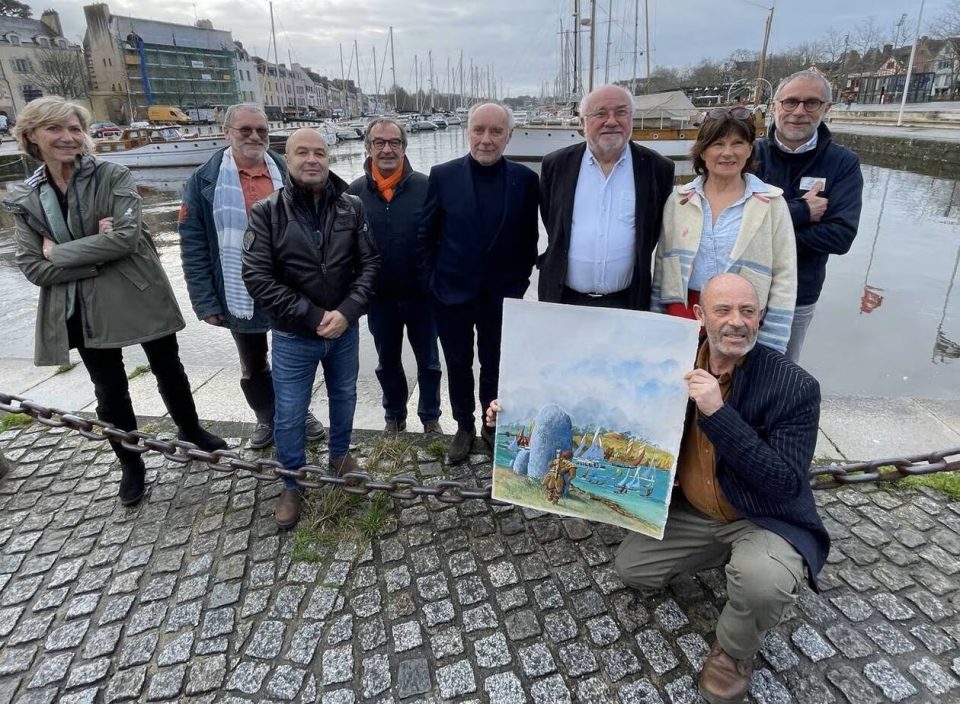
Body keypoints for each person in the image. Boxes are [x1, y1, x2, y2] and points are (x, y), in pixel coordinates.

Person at [487, 273, 828, 704]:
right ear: (701, 316)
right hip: (698, 513)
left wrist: (718, 413)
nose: (736, 322)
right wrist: (508, 419)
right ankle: (729, 559)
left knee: (762, 582)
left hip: (761, 517)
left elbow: (783, 484)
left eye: (747, 311)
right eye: (722, 310)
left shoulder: (794, 386)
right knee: (633, 570)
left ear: (761, 316)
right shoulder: (674, 362)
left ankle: (734, 653)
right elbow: (599, 398)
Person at [7, 96, 226, 507]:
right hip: (83, 302)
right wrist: (96, 247)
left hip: (136, 289)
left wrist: (60, 251)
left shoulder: (112, 174)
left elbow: (125, 238)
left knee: (168, 368)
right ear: (32, 136)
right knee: (108, 389)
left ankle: (191, 429)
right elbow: (33, 268)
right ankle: (131, 464)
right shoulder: (26, 197)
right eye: (55, 129)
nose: (68, 137)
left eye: (74, 128)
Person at [242, 128, 379, 529]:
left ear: (330, 159)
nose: (312, 159)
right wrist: (311, 314)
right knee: (289, 413)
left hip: (343, 330)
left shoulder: (351, 207)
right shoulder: (267, 212)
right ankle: (292, 480)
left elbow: (371, 264)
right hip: (293, 334)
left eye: (320, 152)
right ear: (288, 159)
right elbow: (257, 276)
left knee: (344, 397)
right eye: (303, 152)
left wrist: (348, 311)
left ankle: (340, 456)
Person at [178, 103, 325, 450]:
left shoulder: (287, 169)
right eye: (245, 130)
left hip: (292, 286)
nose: (255, 136)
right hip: (238, 289)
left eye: (261, 130)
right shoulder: (203, 181)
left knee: (298, 355)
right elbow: (193, 245)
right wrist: (204, 300)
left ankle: (299, 412)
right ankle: (266, 415)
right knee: (253, 361)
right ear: (227, 132)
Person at [417, 102, 538, 464]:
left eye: (496, 131)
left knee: (494, 362)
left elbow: (529, 239)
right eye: (479, 130)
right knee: (457, 362)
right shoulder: (443, 175)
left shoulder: (525, 180)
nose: (486, 139)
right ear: (467, 132)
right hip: (450, 293)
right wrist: (432, 284)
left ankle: (491, 423)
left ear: (509, 136)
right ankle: (464, 426)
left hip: (501, 295)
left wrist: (518, 284)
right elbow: (426, 235)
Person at [652, 106, 796, 353]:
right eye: (718, 144)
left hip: (742, 321)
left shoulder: (771, 203)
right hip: (683, 315)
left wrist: (773, 341)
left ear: (749, 150)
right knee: (684, 388)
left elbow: (785, 275)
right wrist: (656, 321)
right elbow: (663, 265)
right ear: (703, 151)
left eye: (738, 143)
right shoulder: (680, 200)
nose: (728, 153)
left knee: (734, 388)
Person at [753, 70, 863, 362]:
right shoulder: (750, 156)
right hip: (743, 289)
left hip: (799, 294)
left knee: (781, 376)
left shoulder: (842, 163)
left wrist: (764, 229)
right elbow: (729, 219)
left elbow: (840, 236)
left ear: (826, 108)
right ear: (775, 105)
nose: (799, 112)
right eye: (790, 102)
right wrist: (800, 212)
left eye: (811, 103)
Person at [537, 84, 675, 310]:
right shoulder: (556, 165)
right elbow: (552, 222)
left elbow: (652, 232)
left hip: (628, 301)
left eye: (621, 112)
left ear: (631, 118)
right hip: (563, 298)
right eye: (600, 113)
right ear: (583, 123)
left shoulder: (658, 168)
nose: (611, 121)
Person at [347, 118, 442, 434]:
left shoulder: (428, 188)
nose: (387, 149)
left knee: (429, 362)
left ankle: (430, 417)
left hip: (422, 298)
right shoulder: (354, 194)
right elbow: (345, 247)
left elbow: (443, 240)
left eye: (394, 142)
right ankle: (394, 415)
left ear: (404, 146)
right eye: (379, 142)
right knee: (387, 363)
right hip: (379, 299)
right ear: (369, 147)